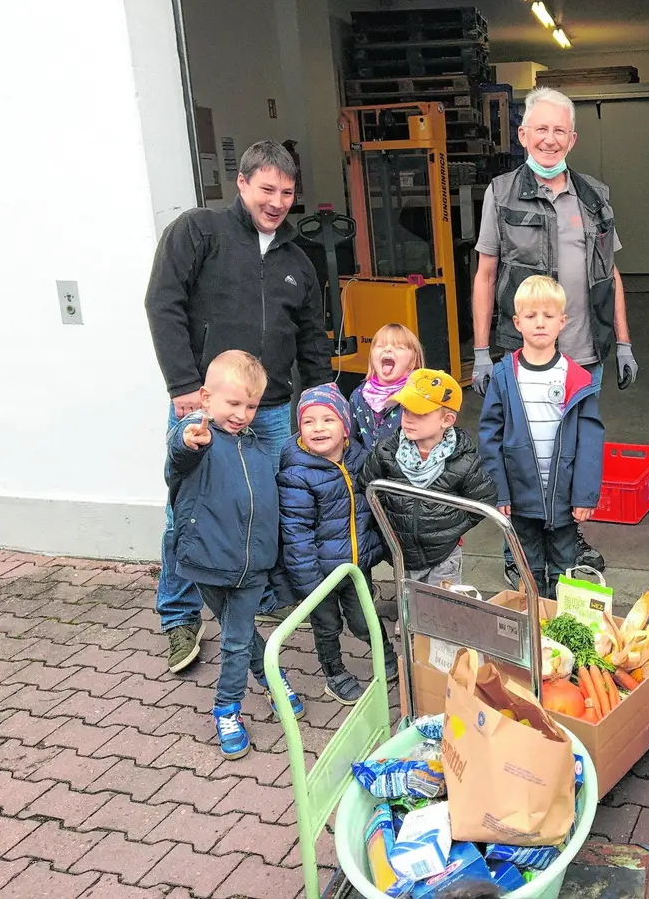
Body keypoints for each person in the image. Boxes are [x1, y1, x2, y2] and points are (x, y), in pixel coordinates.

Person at [145, 139, 336, 673]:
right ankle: (180, 616)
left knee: (261, 506)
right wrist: (185, 385)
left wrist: (320, 398)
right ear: (243, 183)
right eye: (267, 189)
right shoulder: (198, 232)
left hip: (269, 411)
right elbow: (163, 303)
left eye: (287, 193)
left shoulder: (298, 260)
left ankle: (260, 595)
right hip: (204, 405)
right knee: (190, 514)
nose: (277, 202)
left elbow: (311, 338)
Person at [470, 86, 638, 581]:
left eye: (559, 130)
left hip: (584, 352)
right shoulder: (501, 192)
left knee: (570, 451)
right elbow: (485, 274)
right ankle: (518, 550)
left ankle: (567, 539)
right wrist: (480, 352)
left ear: (573, 138)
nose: (549, 139)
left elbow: (611, 274)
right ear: (522, 134)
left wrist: (623, 342)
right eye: (540, 129)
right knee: (521, 451)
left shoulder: (594, 196)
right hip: (522, 353)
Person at [164, 350, 307, 760]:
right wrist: (188, 439)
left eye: (251, 406)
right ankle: (269, 682)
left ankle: (226, 707)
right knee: (238, 634)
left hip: (252, 567)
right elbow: (180, 453)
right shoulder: (201, 438)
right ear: (206, 398)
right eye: (234, 403)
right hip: (204, 562)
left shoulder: (256, 447)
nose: (243, 414)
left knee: (236, 638)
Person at [478, 276, 604, 595]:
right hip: (520, 498)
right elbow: (490, 438)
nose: (540, 323)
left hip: (564, 498)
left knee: (565, 569)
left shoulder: (577, 378)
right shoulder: (504, 375)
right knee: (527, 571)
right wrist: (499, 493)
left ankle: (558, 622)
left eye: (548, 316)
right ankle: (533, 622)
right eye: (531, 315)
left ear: (562, 322)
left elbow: (590, 442)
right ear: (517, 322)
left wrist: (584, 496)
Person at [277, 384, 398, 705]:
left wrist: (382, 548)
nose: (318, 428)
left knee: (365, 618)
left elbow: (375, 507)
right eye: (309, 421)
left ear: (345, 428)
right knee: (327, 625)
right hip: (319, 575)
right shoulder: (297, 474)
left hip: (356, 567)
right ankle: (334, 673)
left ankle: (385, 654)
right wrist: (309, 583)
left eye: (327, 420)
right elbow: (296, 533)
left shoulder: (359, 458)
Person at [361, 369, 496, 587]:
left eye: (419, 413)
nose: (408, 419)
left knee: (443, 604)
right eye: (406, 410)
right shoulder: (386, 452)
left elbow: (484, 499)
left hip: (444, 555)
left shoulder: (463, 460)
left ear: (447, 419)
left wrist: (451, 527)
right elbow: (367, 487)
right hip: (401, 553)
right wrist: (389, 522)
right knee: (408, 602)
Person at [349, 323, 423, 454]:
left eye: (398, 347)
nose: (387, 349)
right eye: (380, 346)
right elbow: (352, 440)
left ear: (414, 360)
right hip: (369, 465)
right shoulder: (359, 395)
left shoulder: (420, 394)